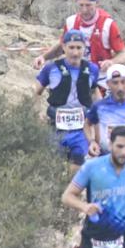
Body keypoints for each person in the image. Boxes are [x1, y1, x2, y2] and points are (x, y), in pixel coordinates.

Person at [34, 32, 101, 169]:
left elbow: (95, 94)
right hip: (55, 128)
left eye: (78, 47)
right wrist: (37, 113)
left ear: (84, 48)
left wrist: (99, 120)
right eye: (71, 48)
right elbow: (36, 92)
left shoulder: (92, 69)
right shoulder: (50, 68)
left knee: (78, 168)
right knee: (52, 167)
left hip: (81, 131)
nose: (75, 52)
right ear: (63, 47)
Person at [38, 0, 125, 68]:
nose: (84, 10)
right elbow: (62, 46)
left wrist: (112, 62)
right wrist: (43, 57)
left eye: (88, 5)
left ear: (97, 3)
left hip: (100, 73)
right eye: (81, 5)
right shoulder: (71, 22)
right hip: (75, 71)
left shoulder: (108, 24)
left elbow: (123, 54)